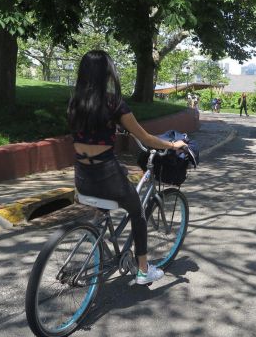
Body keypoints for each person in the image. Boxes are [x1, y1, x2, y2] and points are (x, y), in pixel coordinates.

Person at [68, 50, 187, 285]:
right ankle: (143, 270)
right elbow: (145, 137)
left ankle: (97, 246)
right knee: (138, 211)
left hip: (82, 177)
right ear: (107, 73)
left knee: (102, 209)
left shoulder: (75, 101)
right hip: (106, 176)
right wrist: (173, 144)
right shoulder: (114, 103)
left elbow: (92, 130)